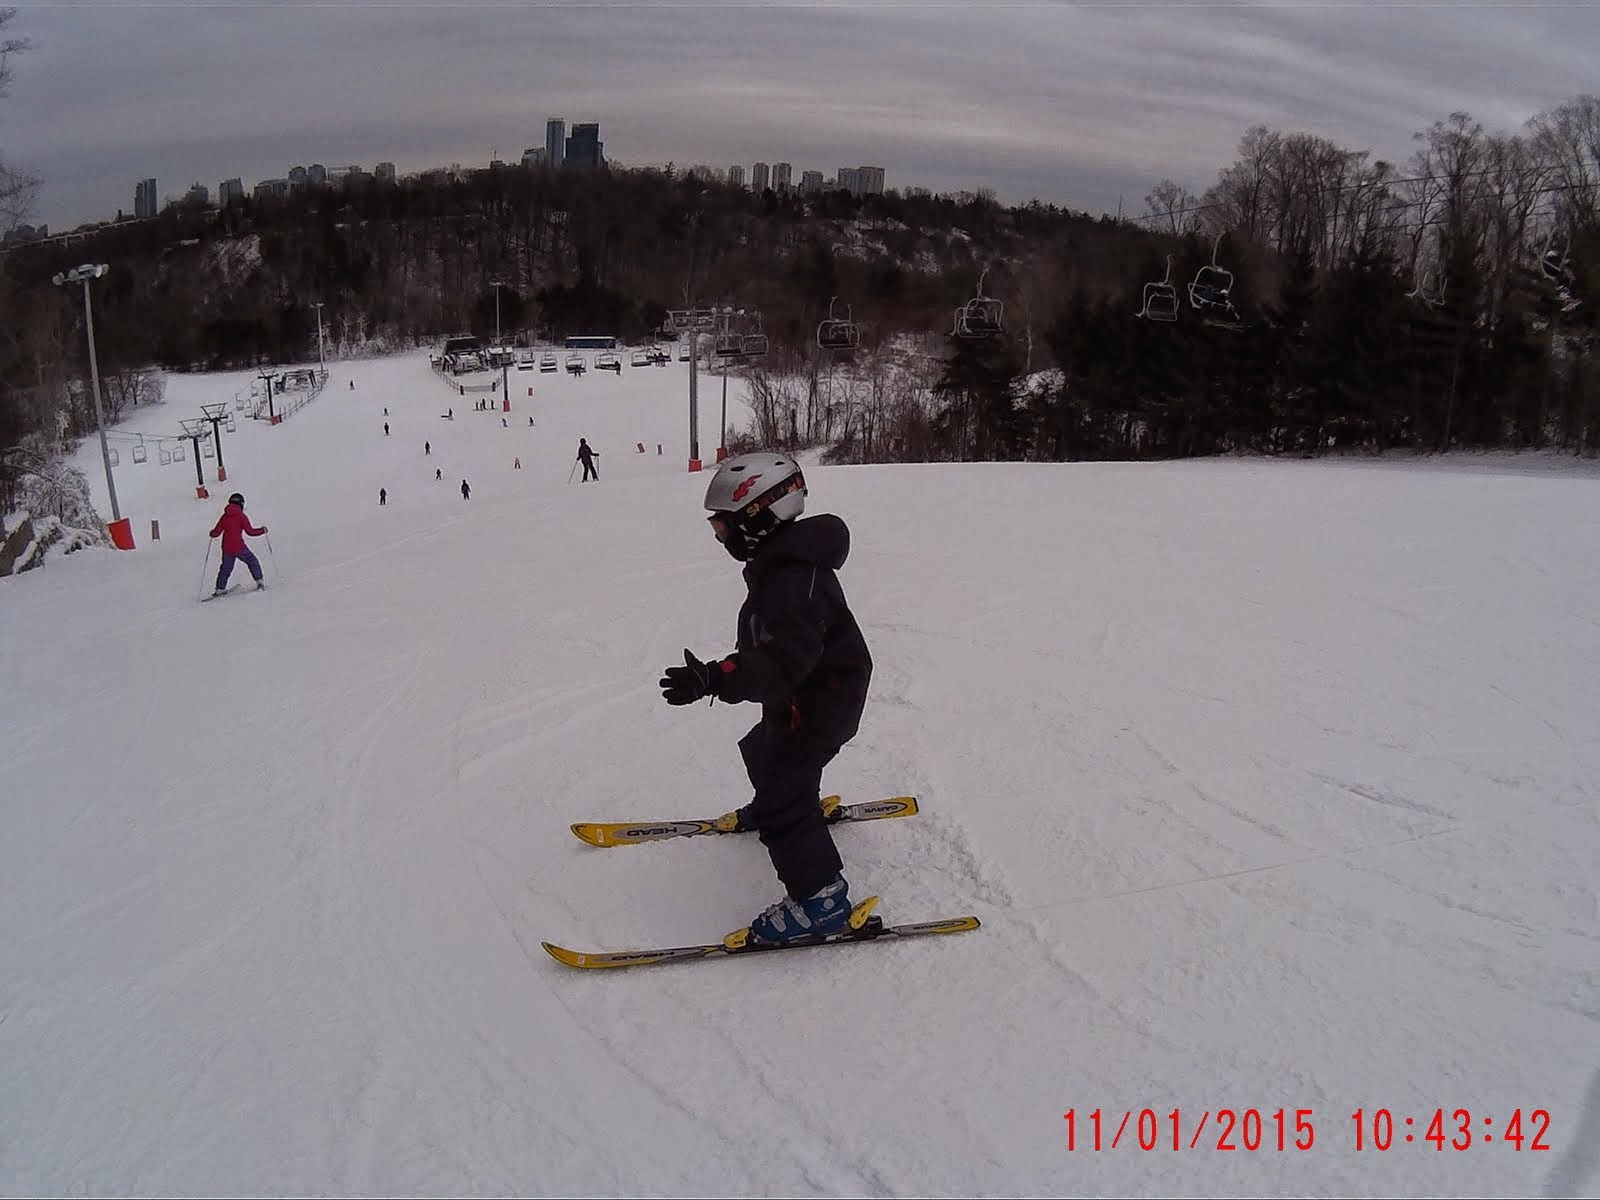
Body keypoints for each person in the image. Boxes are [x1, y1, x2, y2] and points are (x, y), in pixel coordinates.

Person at [658, 453, 872, 946]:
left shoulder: (795, 581)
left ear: (758, 517)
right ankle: (788, 805)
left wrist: (716, 678)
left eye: (721, 524)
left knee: (783, 788)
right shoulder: (781, 565)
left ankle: (822, 901)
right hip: (807, 693)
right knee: (763, 748)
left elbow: (779, 664)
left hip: (821, 700)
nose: (717, 534)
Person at [209, 492, 268, 594]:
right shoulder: (241, 517)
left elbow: (216, 532)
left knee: (226, 568)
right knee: (251, 561)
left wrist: (212, 533)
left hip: (226, 548)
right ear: (241, 504)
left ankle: (219, 589)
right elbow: (250, 532)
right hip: (239, 547)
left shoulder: (224, 517)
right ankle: (259, 581)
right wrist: (262, 530)